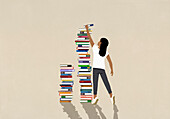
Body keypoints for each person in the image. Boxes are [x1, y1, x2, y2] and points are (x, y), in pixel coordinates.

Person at [85, 25, 115, 105]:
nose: (98, 41)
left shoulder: (95, 48)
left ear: (101, 43)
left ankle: (95, 97)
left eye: (99, 41)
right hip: (102, 69)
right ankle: (111, 96)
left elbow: (89, 38)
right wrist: (111, 70)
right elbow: (110, 62)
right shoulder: (105, 52)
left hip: (95, 69)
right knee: (106, 82)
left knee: (95, 83)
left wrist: (87, 29)